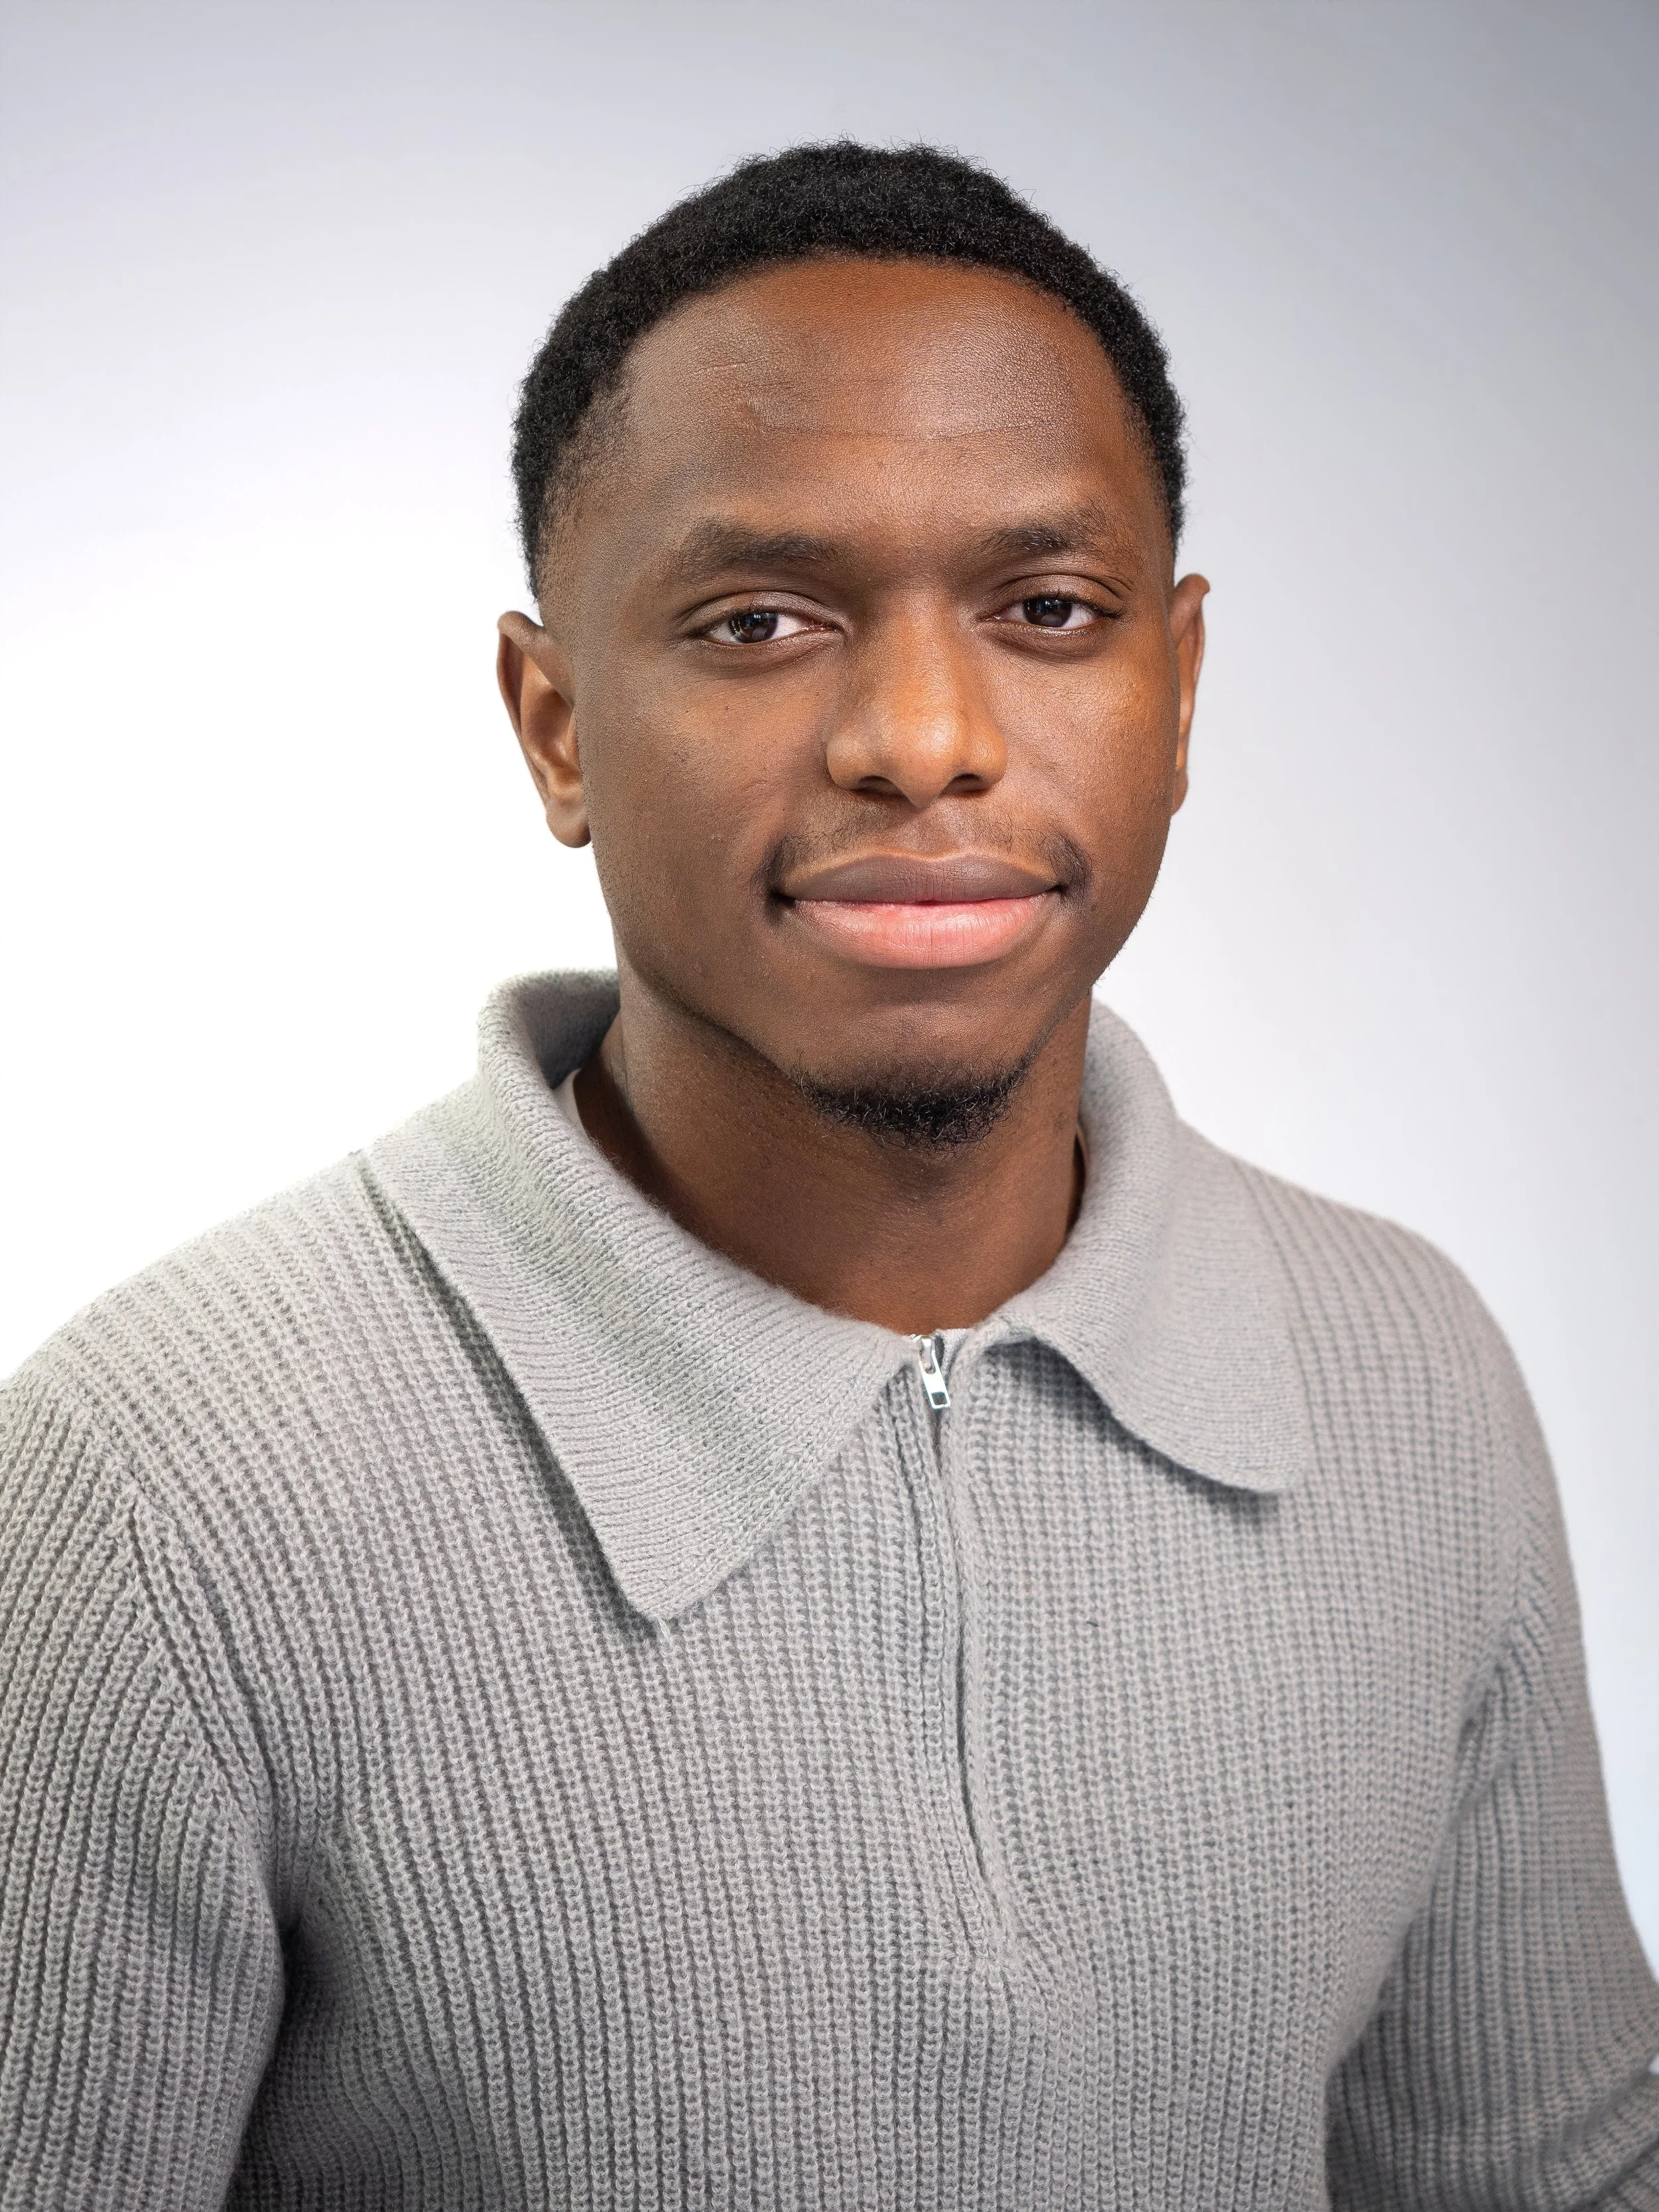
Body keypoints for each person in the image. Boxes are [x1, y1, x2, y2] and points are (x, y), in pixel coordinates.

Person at [1, 141, 1655, 2212]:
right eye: (762, 619)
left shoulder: (1409, 1374)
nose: (927, 735)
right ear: (555, 726)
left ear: (1178, 687)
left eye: (1049, 611)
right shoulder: (147, 1489)